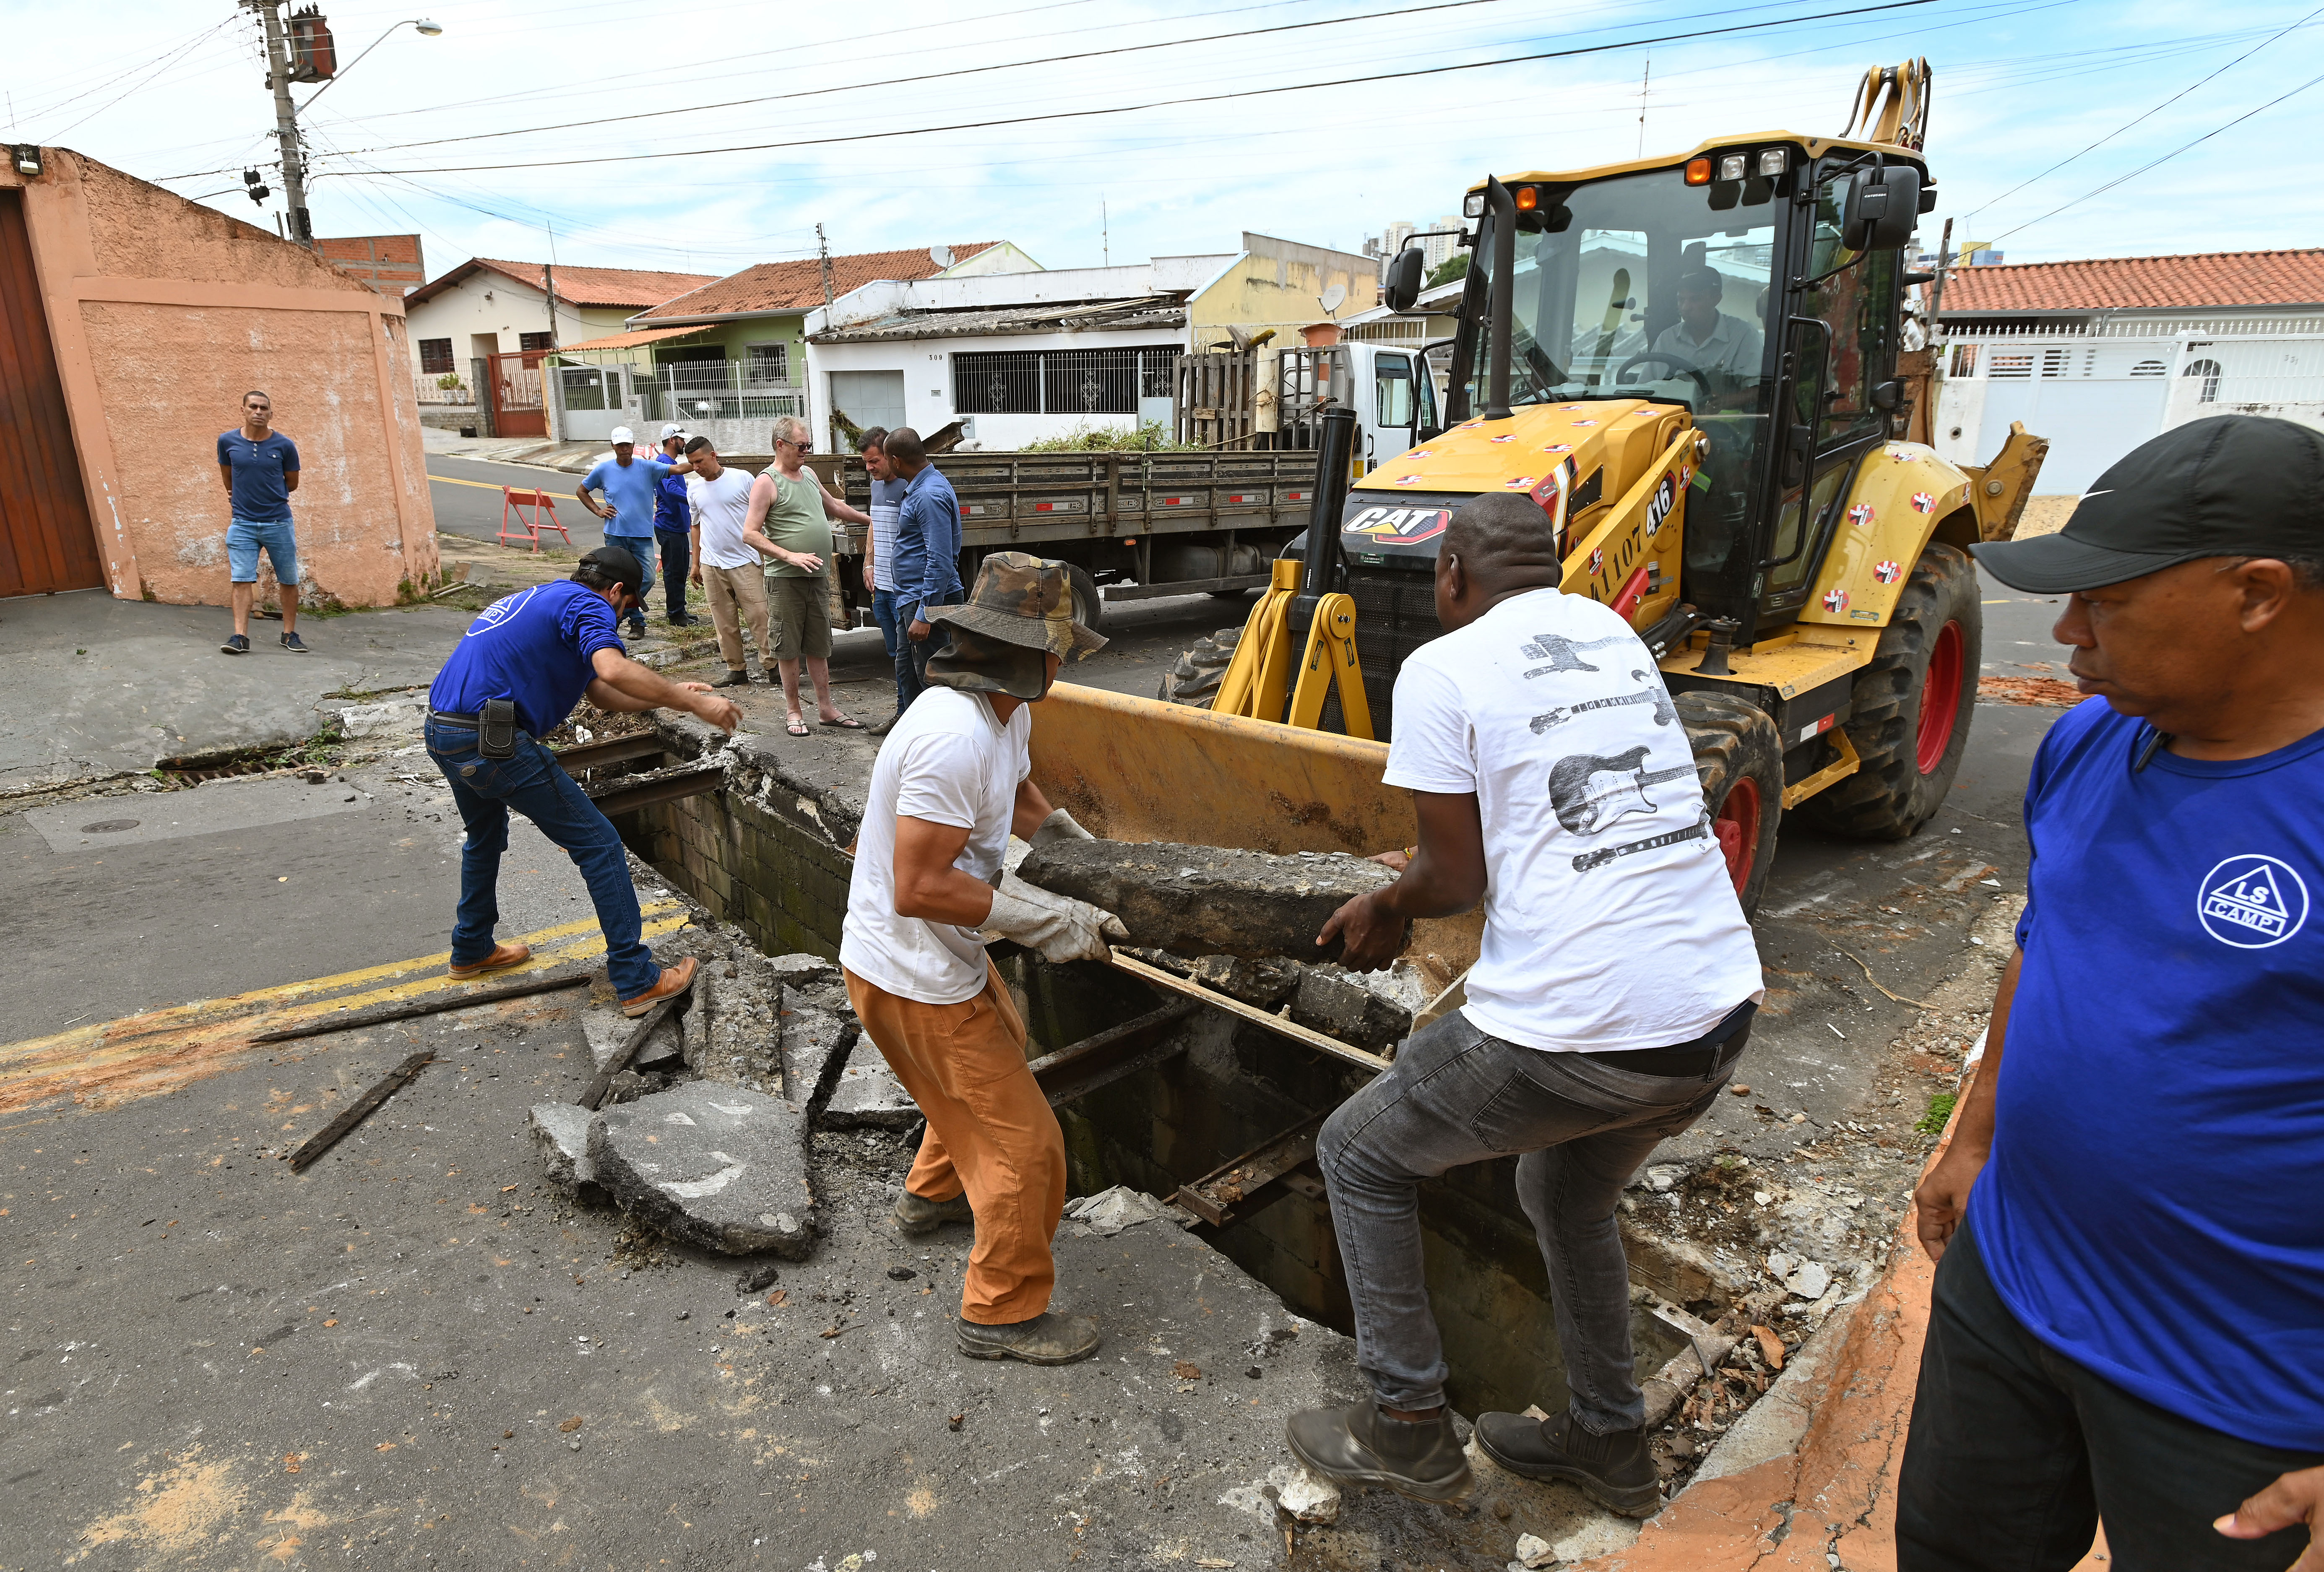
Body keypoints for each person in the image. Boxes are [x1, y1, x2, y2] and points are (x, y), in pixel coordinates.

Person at [1281, 491, 1764, 1512]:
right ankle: (1609, 1441)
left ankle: (1405, 1422)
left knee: (1357, 1151)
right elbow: (1556, 817)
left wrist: (1388, 901)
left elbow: (1451, 883)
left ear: (1451, 572)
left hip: (1577, 1036)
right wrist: (1426, 866)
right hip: (1713, 1023)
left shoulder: (1441, 666)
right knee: (1563, 1193)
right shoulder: (1608, 632)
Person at [1898, 416, 2324, 1572]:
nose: (2069, 634)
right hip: (2011, 1281)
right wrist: (1970, 1135)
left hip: (2228, 1380)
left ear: (2255, 593)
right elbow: (2049, 938)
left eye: (2106, 601)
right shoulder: (2091, 741)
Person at [839, 552, 1120, 1365]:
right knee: (1026, 1150)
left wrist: (1074, 851)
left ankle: (931, 1196)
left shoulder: (1003, 711)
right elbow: (919, 884)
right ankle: (999, 1311)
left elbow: (1020, 792)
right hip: (910, 969)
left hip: (927, 962)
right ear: (1030, 650)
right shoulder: (949, 736)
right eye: (1061, 647)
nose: (1064, 662)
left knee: (997, 1041)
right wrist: (1040, 920)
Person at [424, 544, 740, 1015]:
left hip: (444, 728)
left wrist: (672, 696)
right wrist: (693, 704)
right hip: (491, 738)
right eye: (629, 605)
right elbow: (613, 668)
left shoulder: (545, 598)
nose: (623, 615)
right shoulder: (588, 604)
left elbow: (602, 692)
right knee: (600, 845)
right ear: (616, 591)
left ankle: (472, 948)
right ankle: (636, 979)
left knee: (485, 836)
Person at [753, 414, 871, 736]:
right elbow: (750, 534)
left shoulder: (806, 474)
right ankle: (793, 712)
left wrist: (871, 520)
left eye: (809, 445)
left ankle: (826, 709)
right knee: (788, 648)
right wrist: (788, 555)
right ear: (781, 445)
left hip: (816, 577)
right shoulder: (766, 482)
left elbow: (834, 506)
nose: (806, 451)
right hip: (784, 579)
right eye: (801, 445)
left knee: (819, 646)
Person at [576, 425, 695, 638]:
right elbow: (582, 490)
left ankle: (625, 613)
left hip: (641, 536)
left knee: (648, 577)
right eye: (620, 445)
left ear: (633, 445)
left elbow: (677, 470)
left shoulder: (647, 467)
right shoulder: (604, 470)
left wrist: (700, 462)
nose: (624, 449)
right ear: (613, 446)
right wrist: (598, 510)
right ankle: (637, 621)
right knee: (613, 581)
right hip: (615, 535)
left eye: (627, 444)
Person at [683, 436, 780, 689]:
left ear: (714, 456)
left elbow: (762, 513)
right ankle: (735, 668)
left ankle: (773, 665)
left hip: (745, 560)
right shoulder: (693, 489)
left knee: (760, 614)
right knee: (723, 619)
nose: (696, 468)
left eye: (700, 461)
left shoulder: (742, 479)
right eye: (692, 463)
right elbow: (695, 526)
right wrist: (696, 563)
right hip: (712, 563)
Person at [216, 390, 307, 656]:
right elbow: (228, 478)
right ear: (243, 410)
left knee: (289, 580)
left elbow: (293, 483)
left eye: (264, 408)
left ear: (271, 414)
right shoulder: (227, 441)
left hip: (278, 522)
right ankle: (239, 637)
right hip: (243, 523)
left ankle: (289, 634)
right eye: (253, 407)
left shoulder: (284, 446)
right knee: (241, 580)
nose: (258, 412)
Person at [887, 424, 965, 706]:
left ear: (896, 460)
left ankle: (940, 742)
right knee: (908, 672)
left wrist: (925, 614)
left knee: (934, 681)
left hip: (928, 599)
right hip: (911, 596)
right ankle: (906, 728)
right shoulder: (920, 487)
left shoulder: (928, 495)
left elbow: (940, 560)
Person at [855, 427, 916, 735]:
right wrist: (868, 564)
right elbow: (875, 525)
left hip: (904, 589)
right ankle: (903, 714)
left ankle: (909, 718)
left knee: (912, 660)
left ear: (892, 457)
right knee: (897, 658)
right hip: (882, 586)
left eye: (874, 461)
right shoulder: (876, 485)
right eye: (866, 462)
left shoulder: (909, 486)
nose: (870, 468)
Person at [1647, 266, 1762, 382]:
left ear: (1716, 299)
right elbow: (1643, 387)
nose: (1685, 308)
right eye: (1681, 300)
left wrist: (1718, 400)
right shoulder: (1666, 340)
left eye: (1695, 299)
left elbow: (1755, 390)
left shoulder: (1743, 335)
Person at [651, 424, 696, 626]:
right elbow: (670, 491)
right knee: (674, 570)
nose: (684, 443)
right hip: (669, 525)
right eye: (681, 439)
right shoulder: (664, 463)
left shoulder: (672, 463)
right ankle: (675, 613)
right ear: (672, 440)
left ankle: (680, 609)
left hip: (677, 525)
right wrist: (694, 498)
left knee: (681, 569)